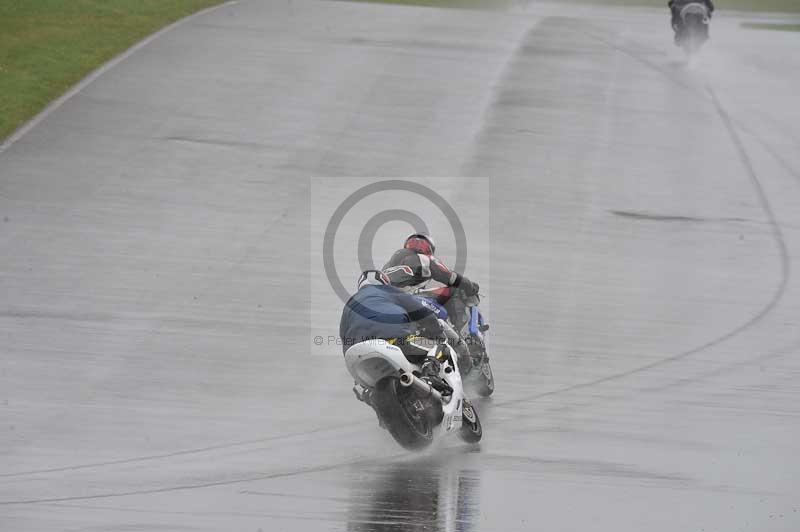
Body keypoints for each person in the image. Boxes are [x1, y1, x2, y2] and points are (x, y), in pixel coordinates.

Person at [339, 270, 452, 397]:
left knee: (366, 389)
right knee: (439, 347)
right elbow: (421, 312)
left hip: (356, 354)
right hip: (393, 339)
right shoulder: (389, 291)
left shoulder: (350, 303)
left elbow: (343, 336)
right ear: (383, 281)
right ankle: (430, 376)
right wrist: (437, 334)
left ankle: (368, 393)